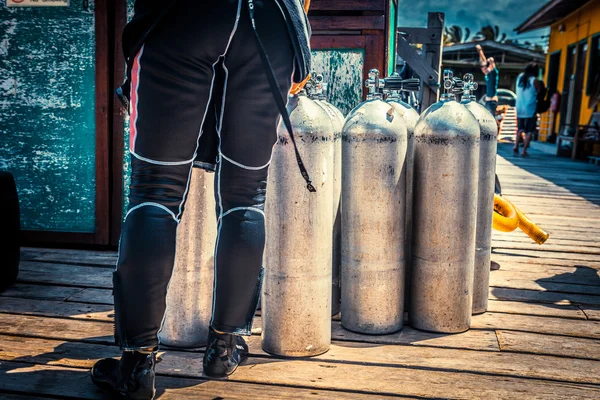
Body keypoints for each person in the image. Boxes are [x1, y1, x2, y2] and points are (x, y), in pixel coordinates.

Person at [89, 0, 312, 398]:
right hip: (272, 22)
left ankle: (137, 367)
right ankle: (223, 350)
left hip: (184, 16)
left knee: (155, 191)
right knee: (247, 195)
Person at [515, 62, 539, 156]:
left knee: (520, 128)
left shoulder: (520, 77)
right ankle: (524, 151)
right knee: (529, 130)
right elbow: (539, 92)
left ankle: (515, 146)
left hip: (520, 107)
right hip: (530, 108)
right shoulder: (534, 80)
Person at [476, 44, 499, 116]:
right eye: (483, 69)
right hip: (488, 102)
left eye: (485, 68)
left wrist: (491, 61)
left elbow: (491, 65)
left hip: (492, 102)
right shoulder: (487, 75)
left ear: (489, 67)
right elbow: (483, 61)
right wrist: (480, 51)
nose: (484, 70)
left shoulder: (493, 73)